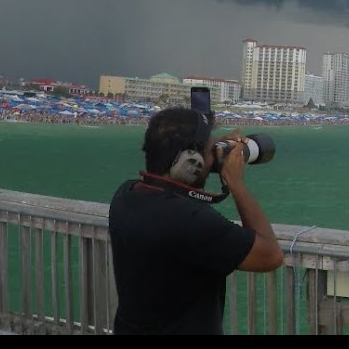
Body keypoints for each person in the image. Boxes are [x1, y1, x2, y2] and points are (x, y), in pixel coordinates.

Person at [108, 105, 284, 334]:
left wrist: (209, 153)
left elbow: (175, 187)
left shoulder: (126, 195)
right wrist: (235, 180)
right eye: (210, 152)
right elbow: (270, 255)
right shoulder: (192, 221)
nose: (212, 159)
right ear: (189, 160)